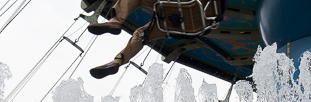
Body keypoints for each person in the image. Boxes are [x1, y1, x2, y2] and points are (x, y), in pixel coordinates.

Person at [88, 0, 226, 78]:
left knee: (140, 33)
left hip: (182, 14)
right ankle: (116, 62)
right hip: (193, 24)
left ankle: (115, 21)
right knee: (142, 34)